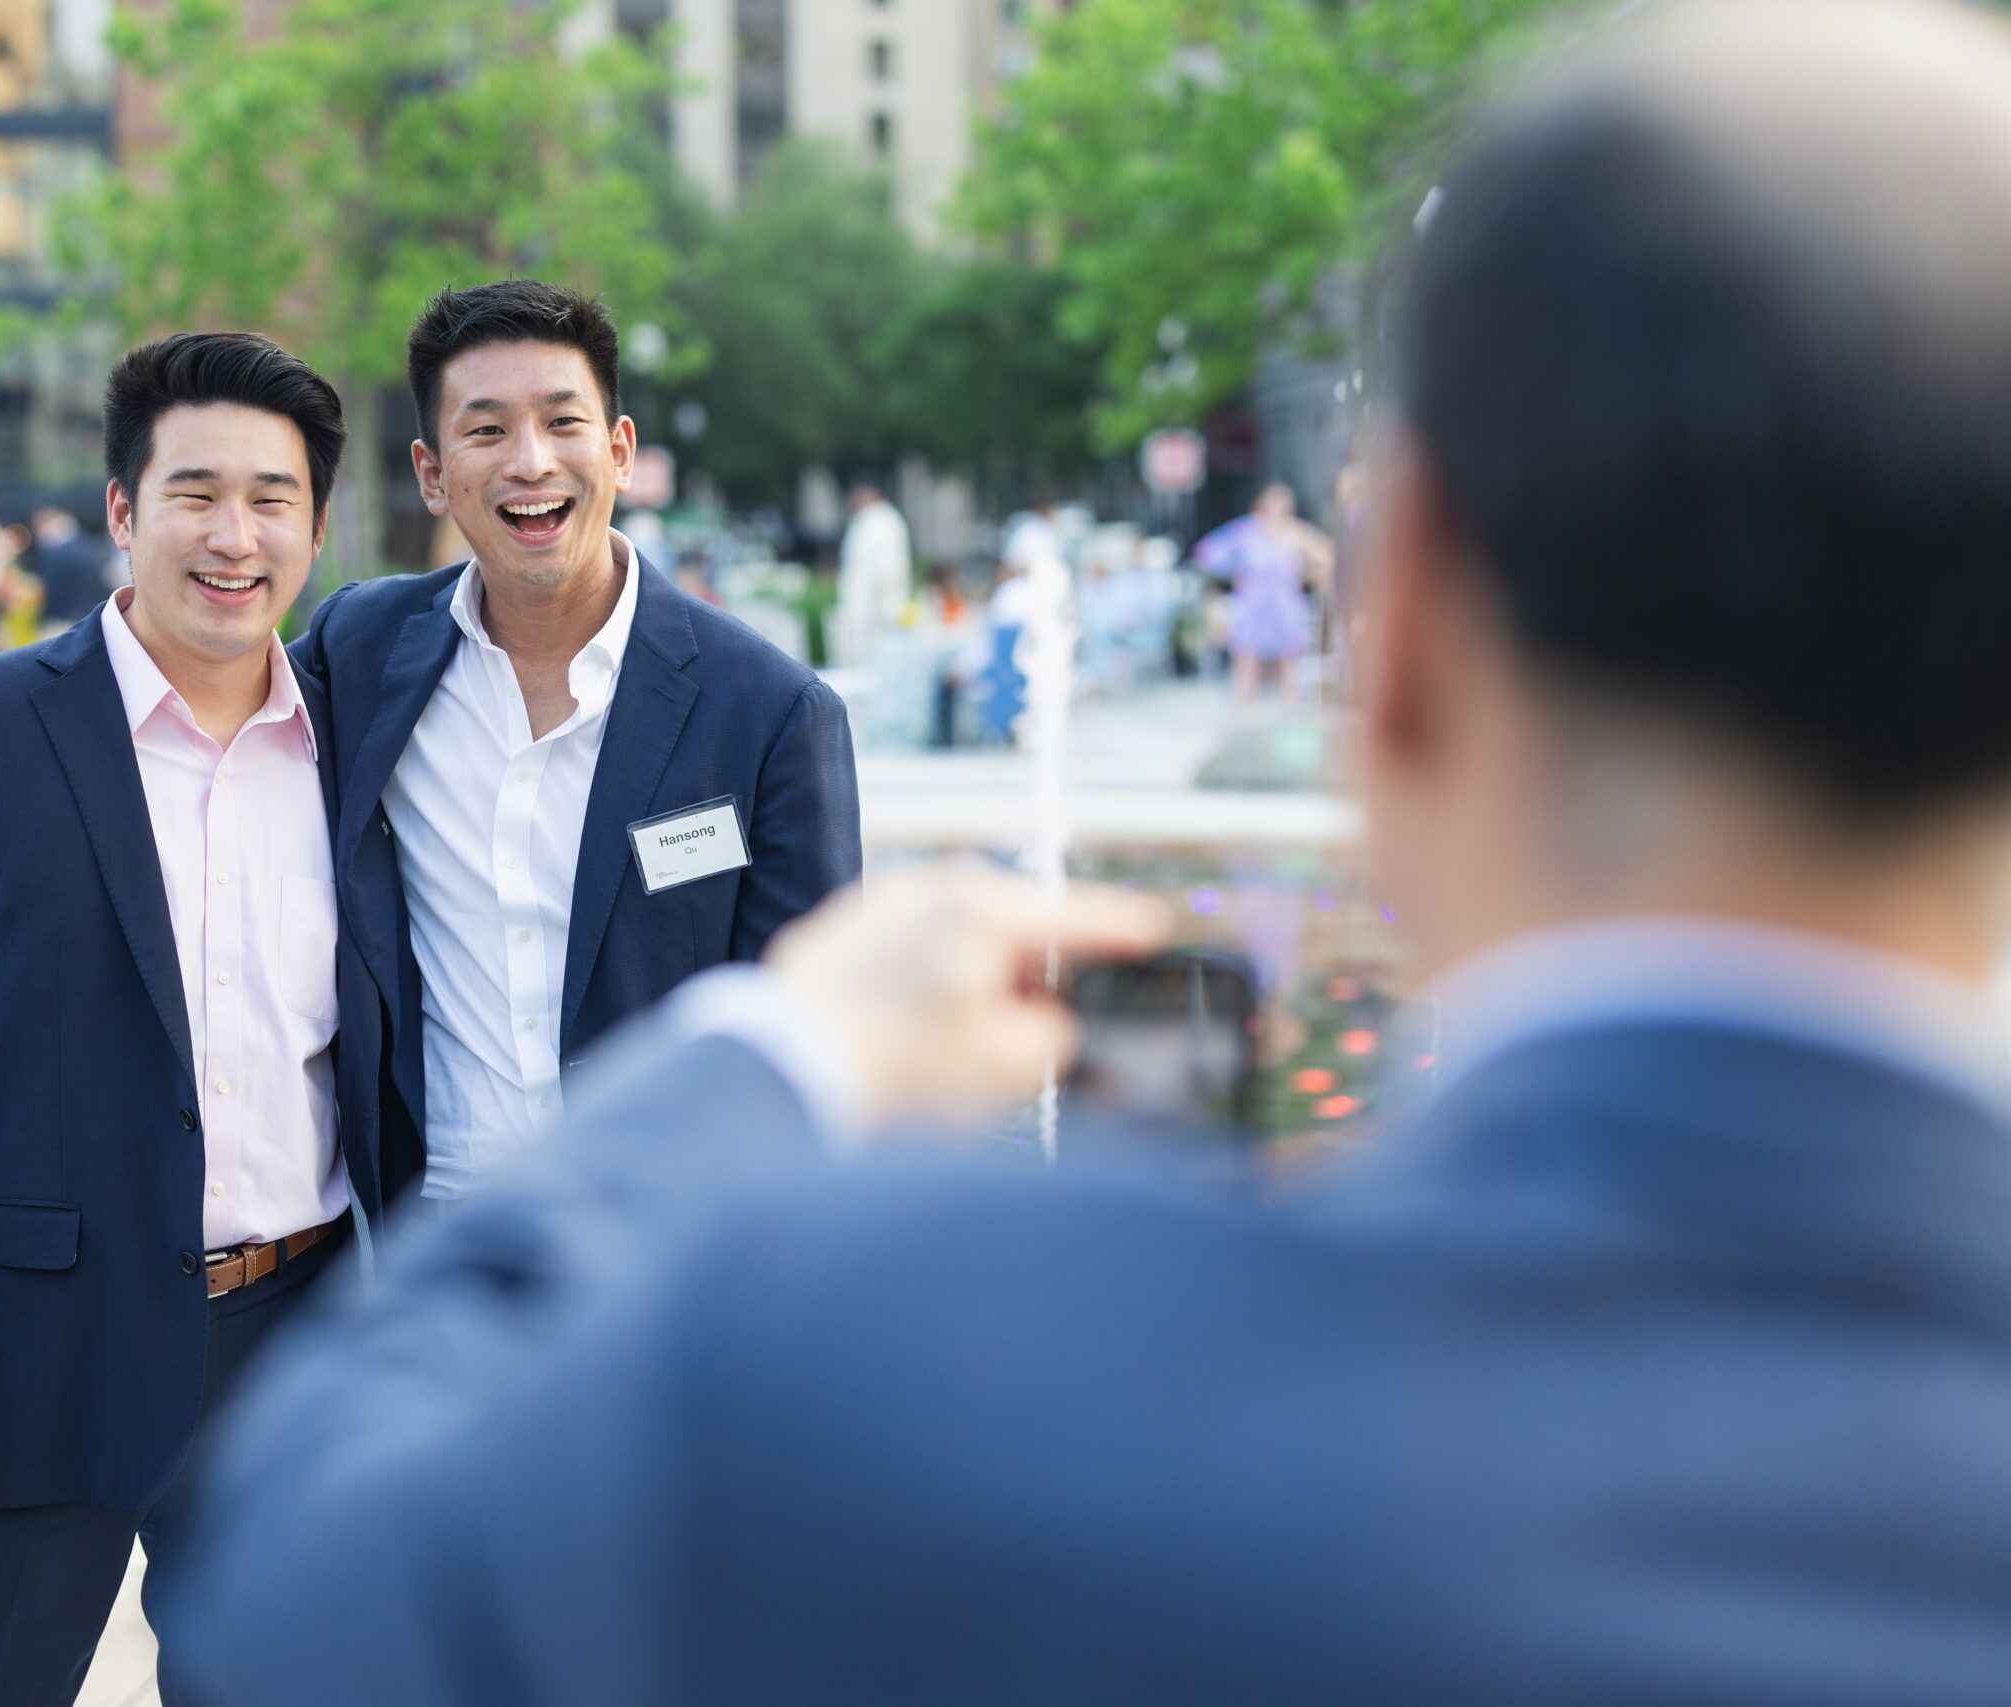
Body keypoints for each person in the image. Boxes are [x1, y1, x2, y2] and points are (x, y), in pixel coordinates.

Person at [157, 2, 2011, 1699]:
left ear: (1410, 631)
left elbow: (312, 1582)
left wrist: (774, 1058)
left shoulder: (1050, 1384)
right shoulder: (372, 653)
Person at [0, 282, 862, 1229]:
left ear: (617, 447)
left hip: (673, 1265)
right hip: (437, 1264)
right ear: (431, 473)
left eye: (562, 423)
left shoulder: (770, 715)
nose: (528, 462)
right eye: (485, 430)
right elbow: (193, 664)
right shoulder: (367, 655)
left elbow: (828, 1041)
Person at [0, 331, 359, 1704]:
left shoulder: (358, 734)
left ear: (315, 522)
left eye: (272, 497)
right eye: (194, 492)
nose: (233, 534)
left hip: (298, 1339)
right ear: (122, 510)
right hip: (36, 1354)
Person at [1193, 481, 1334, 703]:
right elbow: (1207, 554)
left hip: (1285, 606)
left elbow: (1325, 556)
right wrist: (1233, 574)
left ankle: (1291, 719)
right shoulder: (1246, 532)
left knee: (1288, 665)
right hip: (1253, 606)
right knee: (1248, 662)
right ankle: (1244, 718)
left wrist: (1307, 572)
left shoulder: (1295, 532)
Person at [831, 481, 911, 668]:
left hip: (876, 610)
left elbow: (887, 569)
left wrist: (884, 607)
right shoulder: (871, 520)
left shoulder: (881, 521)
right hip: (864, 608)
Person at [26, 504, 111, 630]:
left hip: (61, 622)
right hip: (92, 618)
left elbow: (51, 592)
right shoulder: (92, 547)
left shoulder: (54, 553)